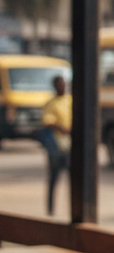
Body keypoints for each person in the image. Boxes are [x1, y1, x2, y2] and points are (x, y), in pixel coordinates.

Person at [38, 73, 71, 215]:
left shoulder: (70, 100)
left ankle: (73, 208)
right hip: (56, 146)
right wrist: (61, 128)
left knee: (74, 181)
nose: (62, 87)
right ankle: (50, 210)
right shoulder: (51, 103)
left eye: (64, 84)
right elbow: (48, 121)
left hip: (70, 145)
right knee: (53, 179)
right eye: (59, 85)